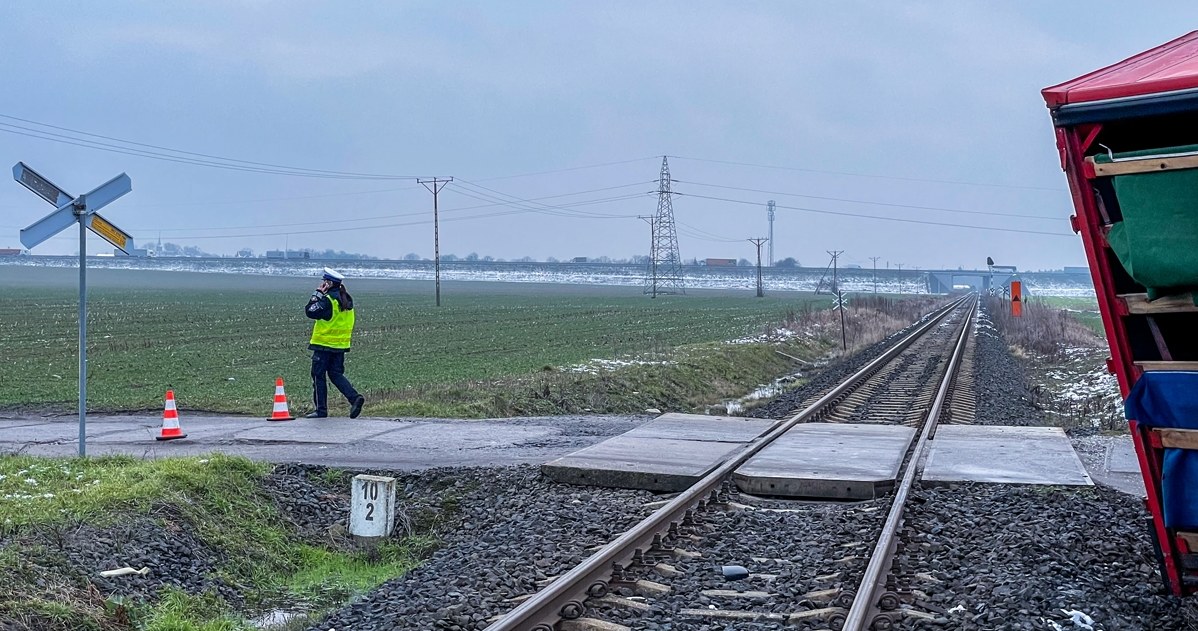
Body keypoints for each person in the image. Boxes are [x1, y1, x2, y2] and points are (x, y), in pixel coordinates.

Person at [304, 267, 365, 419]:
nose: (322, 283)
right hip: (340, 346)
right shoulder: (346, 301)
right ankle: (354, 398)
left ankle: (321, 410)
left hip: (324, 345)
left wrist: (317, 293)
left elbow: (310, 311)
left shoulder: (328, 300)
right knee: (336, 374)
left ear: (329, 283)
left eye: (324, 281)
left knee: (318, 376)